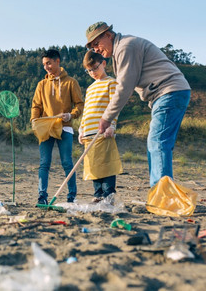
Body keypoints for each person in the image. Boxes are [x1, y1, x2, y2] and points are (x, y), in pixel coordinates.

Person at [85, 22, 191, 187]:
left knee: (158, 142)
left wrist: (106, 118)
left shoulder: (125, 47)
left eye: (96, 44)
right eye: (92, 47)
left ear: (108, 35)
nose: (96, 50)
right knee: (155, 144)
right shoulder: (120, 50)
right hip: (165, 94)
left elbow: (124, 87)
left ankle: (162, 194)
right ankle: (158, 191)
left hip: (169, 91)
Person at [30, 49, 84, 204]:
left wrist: (71, 115)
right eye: (44, 64)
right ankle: (42, 196)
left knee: (67, 162)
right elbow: (36, 106)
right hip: (46, 127)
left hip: (65, 126)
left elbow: (79, 105)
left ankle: (71, 196)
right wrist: (34, 119)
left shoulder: (71, 82)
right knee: (44, 163)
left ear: (57, 61)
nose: (46, 67)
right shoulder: (41, 84)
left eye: (49, 63)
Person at [79, 51, 123, 202]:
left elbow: (114, 106)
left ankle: (108, 195)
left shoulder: (111, 82)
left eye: (95, 68)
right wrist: (81, 129)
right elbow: (86, 111)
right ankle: (98, 194)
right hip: (89, 133)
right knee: (93, 165)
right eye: (89, 70)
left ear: (103, 64)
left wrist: (112, 125)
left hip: (104, 131)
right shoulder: (90, 88)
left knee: (106, 164)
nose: (92, 73)